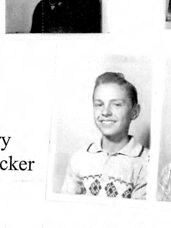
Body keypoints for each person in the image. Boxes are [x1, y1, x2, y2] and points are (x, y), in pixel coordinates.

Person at [61, 72, 148, 200]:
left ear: (134, 112)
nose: (105, 112)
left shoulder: (146, 162)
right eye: (99, 104)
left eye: (116, 104)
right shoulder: (80, 158)